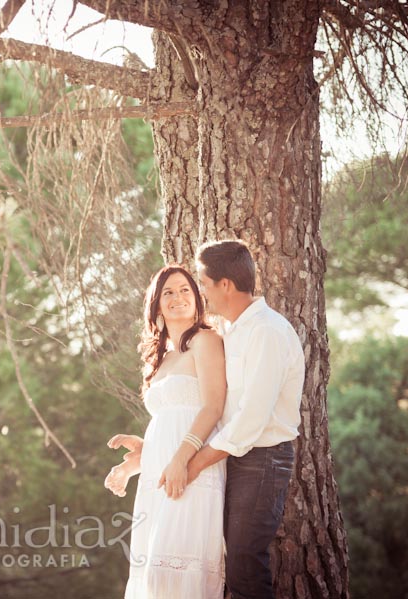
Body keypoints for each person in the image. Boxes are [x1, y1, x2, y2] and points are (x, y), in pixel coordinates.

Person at [185, 239, 305, 599]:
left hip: (262, 460)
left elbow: (252, 419)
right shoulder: (230, 331)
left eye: (204, 283)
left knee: (244, 562)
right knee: (224, 561)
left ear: (225, 285)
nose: (202, 292)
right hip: (231, 458)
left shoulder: (266, 331)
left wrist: (196, 462)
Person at [105, 264, 227, 598]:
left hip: (191, 469)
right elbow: (170, 423)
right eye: (168, 292)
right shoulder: (161, 360)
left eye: (185, 290)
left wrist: (181, 460)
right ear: (156, 304)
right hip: (158, 475)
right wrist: (137, 462)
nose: (177, 297)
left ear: (197, 299)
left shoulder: (206, 341)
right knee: (153, 578)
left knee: (174, 576)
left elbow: (212, 408)